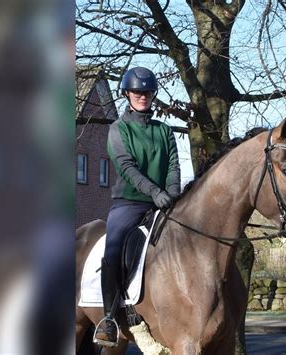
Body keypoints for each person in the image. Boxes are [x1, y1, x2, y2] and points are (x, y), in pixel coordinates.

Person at [93, 67, 181, 347]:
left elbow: (173, 166)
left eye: (147, 92)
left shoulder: (163, 130)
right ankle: (109, 319)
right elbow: (127, 167)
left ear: (153, 95)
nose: (142, 96)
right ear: (127, 94)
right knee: (114, 246)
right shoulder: (118, 129)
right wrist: (155, 192)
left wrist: (174, 195)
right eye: (137, 92)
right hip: (130, 202)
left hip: (165, 202)